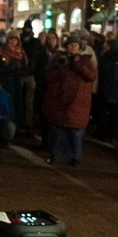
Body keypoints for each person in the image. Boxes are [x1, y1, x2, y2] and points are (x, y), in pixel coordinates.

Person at [42, 30, 97, 165]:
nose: (72, 48)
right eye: (70, 45)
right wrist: (60, 66)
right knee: (56, 130)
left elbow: (91, 76)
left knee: (76, 132)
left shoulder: (85, 60)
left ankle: (75, 157)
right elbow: (48, 76)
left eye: (75, 45)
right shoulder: (58, 59)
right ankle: (53, 155)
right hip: (59, 100)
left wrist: (77, 64)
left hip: (78, 102)